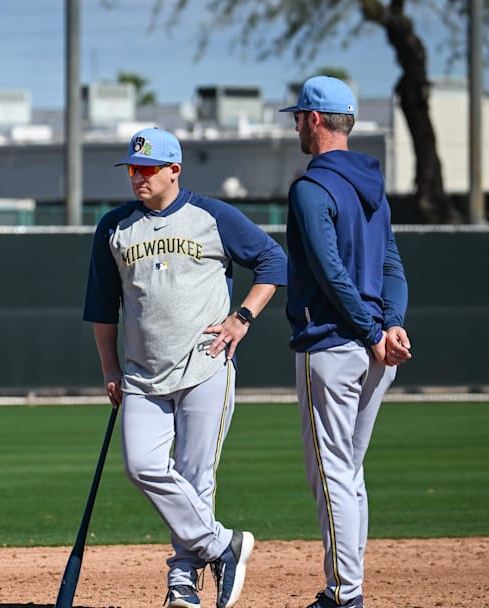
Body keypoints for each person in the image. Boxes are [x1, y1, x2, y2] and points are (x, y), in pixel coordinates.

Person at [83, 127, 287, 608]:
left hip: (205, 365)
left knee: (197, 478)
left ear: (175, 170)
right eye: (133, 168)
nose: (139, 177)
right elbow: (101, 307)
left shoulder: (211, 216)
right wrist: (110, 368)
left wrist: (242, 318)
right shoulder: (114, 227)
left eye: (148, 168)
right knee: (141, 466)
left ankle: (182, 581)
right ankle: (221, 546)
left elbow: (273, 262)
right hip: (141, 375)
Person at [279, 76, 412, 608]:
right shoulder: (371, 186)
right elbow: (392, 266)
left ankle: (343, 596)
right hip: (376, 350)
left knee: (332, 474)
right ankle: (347, 591)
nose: (296, 125)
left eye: (298, 116)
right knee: (349, 474)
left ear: (314, 120)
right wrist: (391, 324)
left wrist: (375, 329)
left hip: (335, 347)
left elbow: (330, 272)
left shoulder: (311, 188)